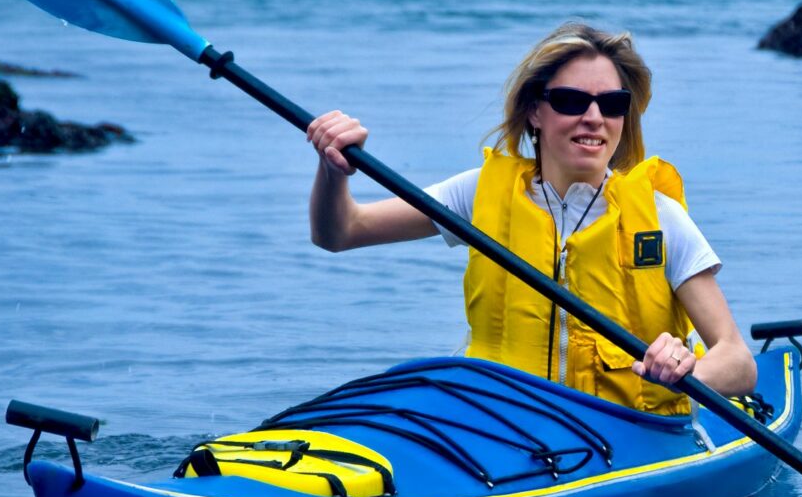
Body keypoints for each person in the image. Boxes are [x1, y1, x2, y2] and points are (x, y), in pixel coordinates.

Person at [306, 22, 755, 415]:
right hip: (504, 423)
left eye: (612, 103)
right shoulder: (479, 193)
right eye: (571, 100)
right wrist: (332, 171)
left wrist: (686, 369)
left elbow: (737, 361)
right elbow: (341, 232)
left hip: (627, 429)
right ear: (534, 112)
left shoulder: (661, 219)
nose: (594, 117)